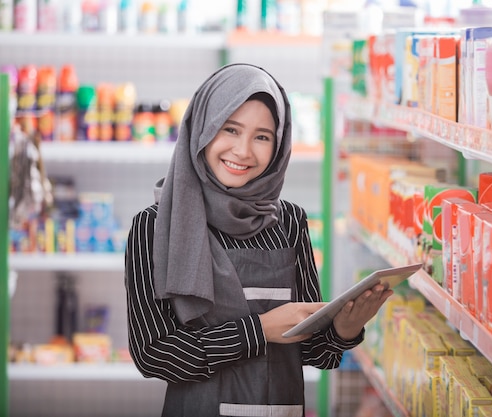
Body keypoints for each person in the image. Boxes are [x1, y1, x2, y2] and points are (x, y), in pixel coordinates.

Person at [124, 63, 393, 417]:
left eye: (262, 136)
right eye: (229, 129)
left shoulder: (290, 222)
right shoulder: (155, 226)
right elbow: (154, 356)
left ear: (279, 145)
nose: (243, 151)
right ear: (202, 128)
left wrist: (346, 326)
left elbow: (316, 353)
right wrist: (261, 330)